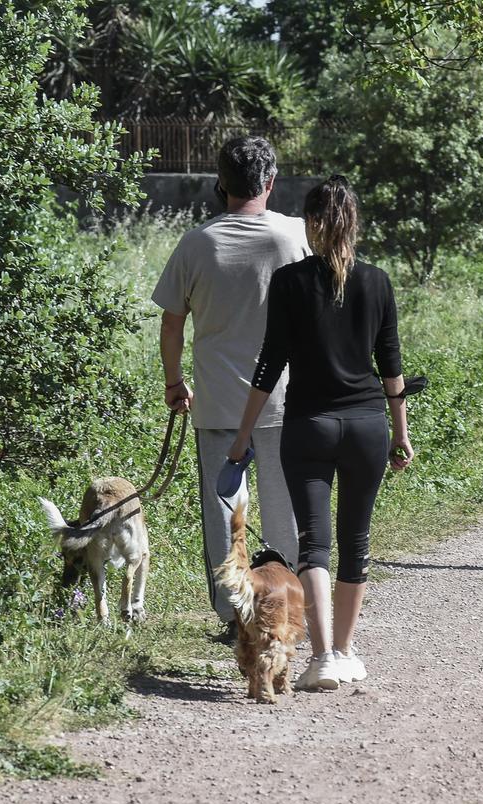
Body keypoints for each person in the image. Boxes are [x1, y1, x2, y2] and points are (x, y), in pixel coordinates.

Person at [227, 176, 415, 689]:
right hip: (366, 425)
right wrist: (400, 433)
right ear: (354, 224)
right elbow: (391, 366)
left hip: (308, 427)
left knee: (314, 543)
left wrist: (243, 436)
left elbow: (269, 364)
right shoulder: (377, 282)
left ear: (311, 224)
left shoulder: (289, 282)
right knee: (356, 541)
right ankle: (345, 652)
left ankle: (323, 655)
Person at [154, 136, 309, 640]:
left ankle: (236, 616)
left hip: (219, 402)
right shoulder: (295, 235)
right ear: (271, 181)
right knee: (287, 514)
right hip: (285, 400)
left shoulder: (196, 243)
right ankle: (288, 611)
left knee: (224, 514)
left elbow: (172, 324)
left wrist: (174, 382)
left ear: (220, 183)